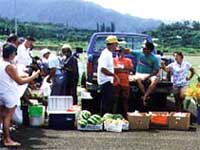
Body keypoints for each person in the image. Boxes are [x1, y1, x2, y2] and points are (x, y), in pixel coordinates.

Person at [0, 44, 40, 147]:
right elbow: (20, 82)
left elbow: (9, 77)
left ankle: (4, 137)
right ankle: (7, 139)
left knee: (2, 116)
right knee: (7, 117)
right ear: (12, 54)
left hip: (2, 92)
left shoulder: (1, 64)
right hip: (9, 94)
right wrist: (33, 76)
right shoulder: (9, 66)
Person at [131, 41, 160, 106]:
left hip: (149, 74)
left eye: (145, 48)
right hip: (139, 74)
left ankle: (145, 96)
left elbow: (156, 70)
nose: (143, 50)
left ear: (149, 50)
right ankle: (145, 95)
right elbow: (128, 51)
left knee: (155, 80)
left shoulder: (154, 58)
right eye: (143, 48)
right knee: (138, 79)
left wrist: (148, 76)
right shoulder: (139, 53)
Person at [97, 35, 120, 115]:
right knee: (105, 104)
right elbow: (103, 69)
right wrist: (114, 75)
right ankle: (103, 121)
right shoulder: (105, 54)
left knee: (108, 103)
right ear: (111, 44)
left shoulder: (109, 53)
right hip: (105, 82)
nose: (116, 47)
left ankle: (105, 121)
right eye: (115, 44)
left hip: (107, 81)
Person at [113, 45, 133, 118]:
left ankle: (126, 115)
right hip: (116, 82)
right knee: (115, 99)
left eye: (120, 51)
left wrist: (121, 69)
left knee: (125, 99)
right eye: (117, 51)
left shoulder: (128, 60)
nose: (119, 53)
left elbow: (130, 69)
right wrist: (124, 69)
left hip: (125, 82)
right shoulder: (113, 60)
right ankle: (113, 115)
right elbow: (114, 69)